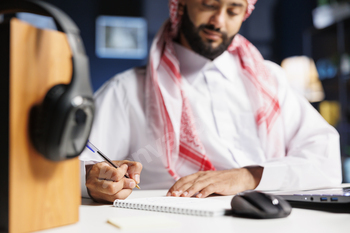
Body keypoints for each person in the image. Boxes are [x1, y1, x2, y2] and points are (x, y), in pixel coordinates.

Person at [80, 0, 342, 203]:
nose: (218, 21)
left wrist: (249, 175)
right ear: (181, 3)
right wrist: (94, 181)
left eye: (233, 10)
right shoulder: (126, 89)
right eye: (209, 4)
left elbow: (325, 158)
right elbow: (75, 169)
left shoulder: (270, 78)